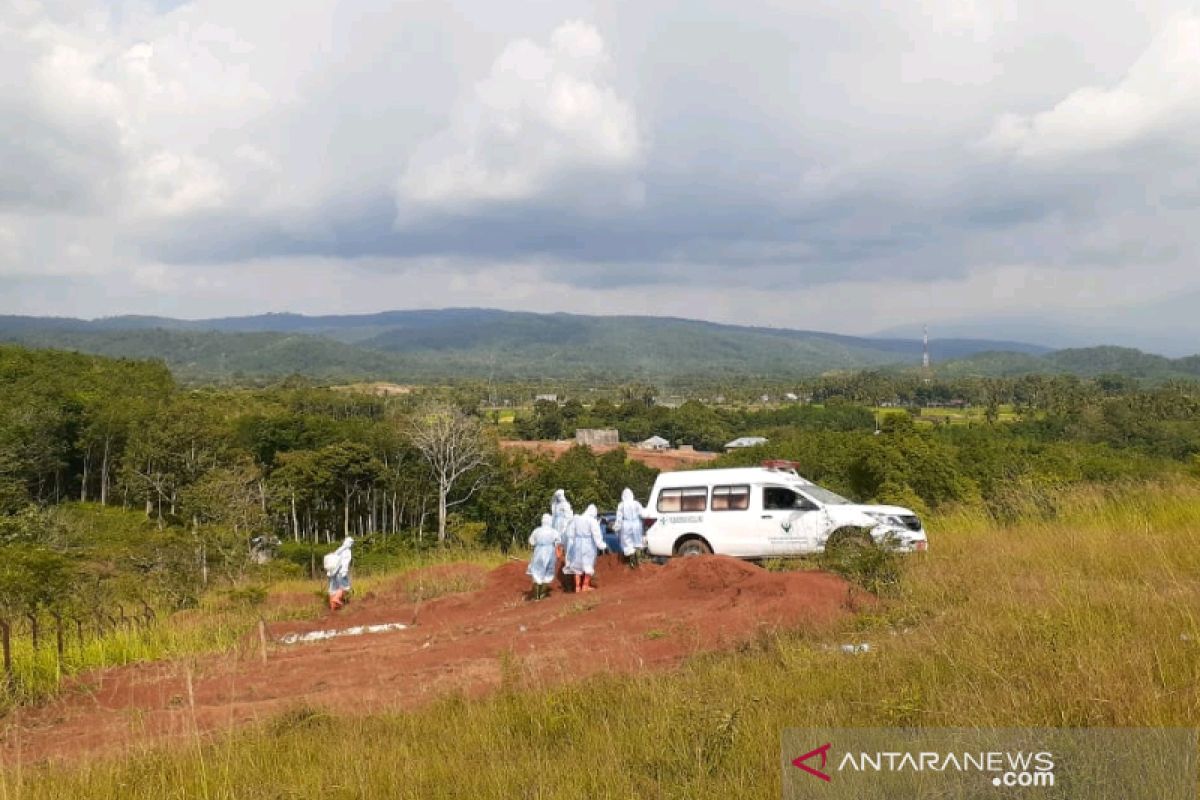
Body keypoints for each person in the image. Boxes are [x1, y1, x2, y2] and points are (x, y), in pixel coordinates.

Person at [563, 504, 606, 592]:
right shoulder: (592, 521)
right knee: (588, 565)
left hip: (577, 544)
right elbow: (597, 535)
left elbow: (570, 533)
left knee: (577, 566)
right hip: (588, 545)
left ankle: (577, 587)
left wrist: (571, 543)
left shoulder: (577, 519)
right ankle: (585, 586)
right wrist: (602, 545)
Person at [526, 514, 561, 600]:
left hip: (538, 551)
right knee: (548, 571)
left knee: (537, 570)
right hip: (550, 552)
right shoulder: (554, 531)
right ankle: (542, 594)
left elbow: (531, 542)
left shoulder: (537, 531)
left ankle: (536, 596)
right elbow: (558, 542)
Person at [615, 487, 647, 567]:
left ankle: (631, 561)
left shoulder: (621, 505)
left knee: (627, 542)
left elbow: (619, 519)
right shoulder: (636, 503)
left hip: (626, 525)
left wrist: (616, 527)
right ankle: (639, 560)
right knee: (637, 541)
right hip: (636, 524)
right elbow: (643, 514)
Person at [325, 536, 354, 610]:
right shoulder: (347, 551)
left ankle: (333, 609)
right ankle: (336, 599)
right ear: (350, 543)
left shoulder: (339, 549)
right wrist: (344, 572)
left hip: (332, 573)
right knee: (345, 587)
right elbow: (345, 563)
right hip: (340, 572)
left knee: (333, 590)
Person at [550, 489, 573, 559]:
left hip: (564, 523)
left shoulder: (566, 504)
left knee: (564, 538)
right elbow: (554, 516)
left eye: (560, 496)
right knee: (557, 539)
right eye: (558, 496)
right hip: (557, 524)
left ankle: (566, 556)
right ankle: (557, 556)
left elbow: (569, 515)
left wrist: (567, 524)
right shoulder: (555, 505)